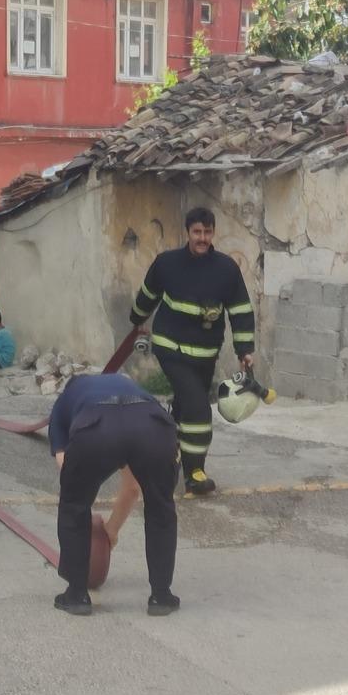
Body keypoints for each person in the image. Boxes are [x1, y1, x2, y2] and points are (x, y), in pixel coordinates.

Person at [128, 207, 255, 496]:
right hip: (171, 348)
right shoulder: (167, 264)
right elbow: (148, 295)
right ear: (188, 232)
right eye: (197, 232)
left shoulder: (226, 269)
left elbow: (240, 311)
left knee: (187, 406)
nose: (202, 238)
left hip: (205, 354)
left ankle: (166, 448)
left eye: (207, 232)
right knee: (198, 407)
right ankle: (195, 474)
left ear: (213, 234)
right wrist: (137, 320)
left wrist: (245, 349)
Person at [49, 373, 181, 617]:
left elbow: (67, 471)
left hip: (96, 427)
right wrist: (111, 530)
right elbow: (133, 487)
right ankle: (161, 596)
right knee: (161, 505)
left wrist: (93, 530)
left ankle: (76, 595)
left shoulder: (65, 401)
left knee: (73, 504)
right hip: (152, 424)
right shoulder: (134, 388)